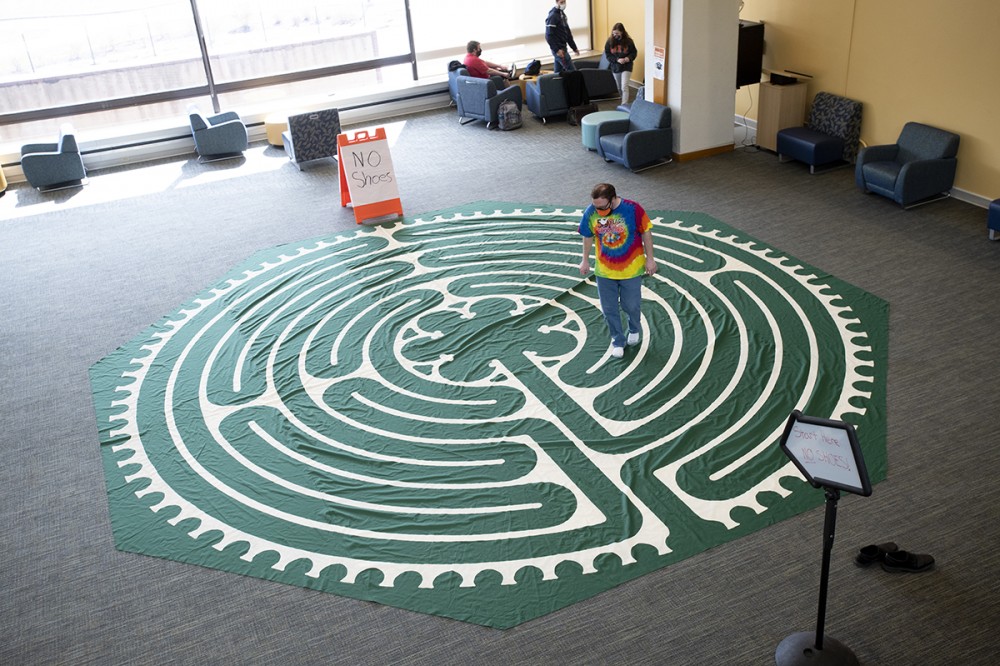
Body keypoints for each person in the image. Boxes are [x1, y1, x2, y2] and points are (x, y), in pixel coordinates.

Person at [578, 183, 657, 359]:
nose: (598, 210)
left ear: (613, 199)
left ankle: (634, 328)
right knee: (609, 309)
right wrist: (585, 260)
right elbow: (587, 235)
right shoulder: (591, 212)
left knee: (631, 305)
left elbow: (646, 232)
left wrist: (650, 259)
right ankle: (618, 340)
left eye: (602, 207)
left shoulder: (633, 209)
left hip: (631, 269)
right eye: (595, 206)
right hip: (605, 271)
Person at [604, 22, 638, 107]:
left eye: (617, 33)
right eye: (614, 33)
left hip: (627, 66)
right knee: (619, 87)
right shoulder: (609, 41)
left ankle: (624, 105)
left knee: (624, 86)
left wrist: (628, 58)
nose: (615, 35)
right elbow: (608, 54)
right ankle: (623, 99)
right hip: (616, 67)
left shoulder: (629, 41)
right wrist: (617, 60)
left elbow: (634, 52)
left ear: (622, 32)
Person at [545, 1, 579, 73]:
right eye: (561, 2)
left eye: (564, 1)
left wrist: (574, 47)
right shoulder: (553, 16)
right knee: (573, 74)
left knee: (558, 74)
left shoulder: (562, 15)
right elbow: (548, 36)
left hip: (563, 48)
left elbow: (567, 33)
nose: (563, 4)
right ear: (557, 2)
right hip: (560, 50)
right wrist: (557, 50)